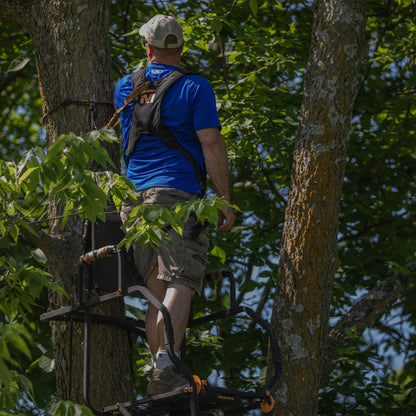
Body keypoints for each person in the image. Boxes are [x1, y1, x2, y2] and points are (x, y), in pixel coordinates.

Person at [114, 14, 235, 396]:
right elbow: (211, 144)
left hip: (133, 204)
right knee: (182, 280)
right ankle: (167, 366)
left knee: (157, 286)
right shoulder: (195, 86)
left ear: (147, 48)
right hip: (177, 198)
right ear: (179, 49)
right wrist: (224, 200)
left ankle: (160, 375)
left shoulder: (125, 88)